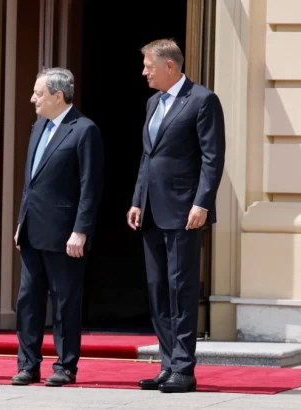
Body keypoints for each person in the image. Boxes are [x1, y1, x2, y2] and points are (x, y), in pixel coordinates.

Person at [128, 39, 225, 394]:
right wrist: (138, 199)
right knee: (157, 290)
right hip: (152, 210)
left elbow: (212, 158)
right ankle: (168, 364)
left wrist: (202, 202)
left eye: (149, 66)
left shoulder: (202, 100)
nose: (144, 72)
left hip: (185, 212)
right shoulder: (153, 102)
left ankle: (184, 368)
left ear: (170, 66)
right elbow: (147, 156)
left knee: (180, 288)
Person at [11, 68, 103, 387]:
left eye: (38, 93)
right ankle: (28, 364)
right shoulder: (39, 127)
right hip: (33, 230)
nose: (32, 99)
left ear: (57, 96)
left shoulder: (84, 130)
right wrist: (21, 222)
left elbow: (90, 186)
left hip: (65, 233)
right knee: (28, 300)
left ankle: (65, 366)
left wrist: (81, 230)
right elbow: (31, 183)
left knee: (64, 302)